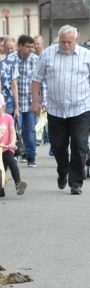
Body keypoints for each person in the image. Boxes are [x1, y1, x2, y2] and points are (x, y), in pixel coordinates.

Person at [32, 25, 90, 195]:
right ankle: (62, 171)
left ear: (76, 40)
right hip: (56, 109)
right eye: (63, 42)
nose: (65, 45)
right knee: (58, 146)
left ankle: (76, 182)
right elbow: (36, 79)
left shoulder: (86, 55)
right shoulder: (48, 54)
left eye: (69, 42)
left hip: (81, 108)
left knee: (80, 145)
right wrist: (35, 102)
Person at [8, 35, 38, 167]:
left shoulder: (36, 60)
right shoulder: (10, 59)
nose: (30, 49)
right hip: (15, 102)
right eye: (27, 46)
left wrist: (41, 101)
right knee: (13, 129)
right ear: (20, 46)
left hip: (30, 102)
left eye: (32, 47)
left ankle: (31, 156)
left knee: (30, 130)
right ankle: (14, 154)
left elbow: (41, 81)